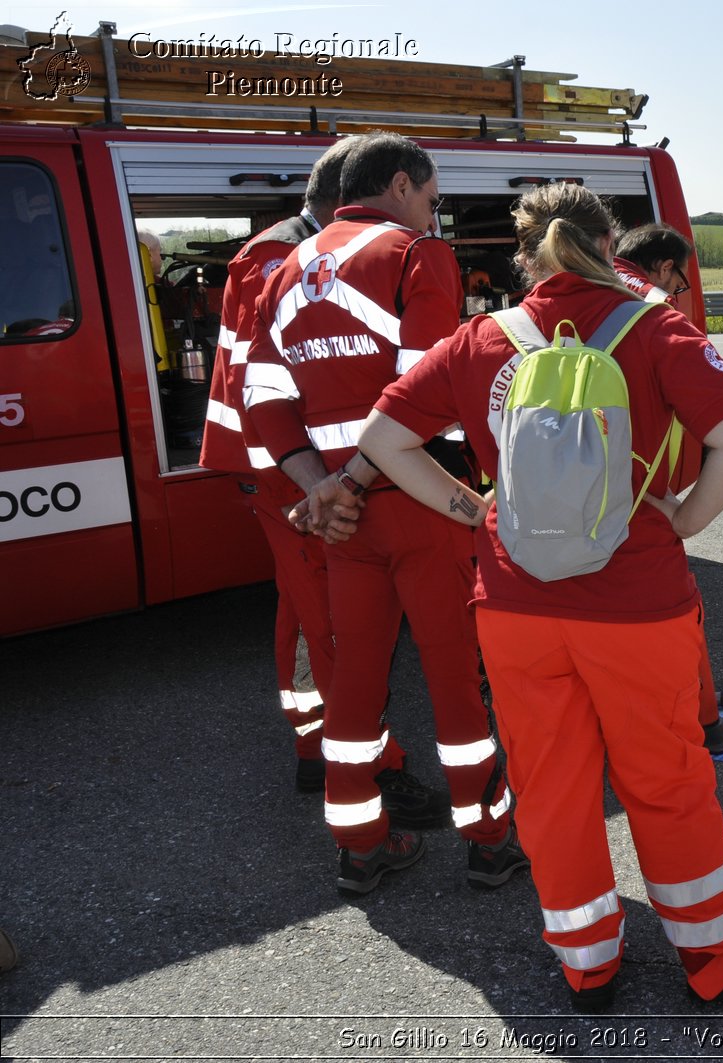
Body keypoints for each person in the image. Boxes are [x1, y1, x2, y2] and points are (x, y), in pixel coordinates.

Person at [356, 183, 723, 1010]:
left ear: (523, 251)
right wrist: (681, 520)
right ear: (611, 244)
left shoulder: (480, 339)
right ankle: (710, 957)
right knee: (666, 779)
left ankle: (587, 961)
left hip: (515, 603)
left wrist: (473, 510)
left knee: (551, 785)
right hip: (638, 602)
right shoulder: (653, 327)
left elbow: (381, 441)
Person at [243, 132, 523, 894]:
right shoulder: (414, 253)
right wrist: (359, 479)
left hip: (342, 520)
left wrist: (321, 488)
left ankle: (360, 844)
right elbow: (423, 391)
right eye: (432, 200)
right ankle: (490, 840)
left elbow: (261, 398)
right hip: (420, 500)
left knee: (356, 678)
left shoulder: (286, 266)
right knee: (455, 677)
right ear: (400, 185)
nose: (435, 216)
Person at [200, 137, 359, 795]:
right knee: (329, 611)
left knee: (300, 606)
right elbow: (270, 379)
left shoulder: (286, 247)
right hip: (283, 465)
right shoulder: (281, 256)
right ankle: (360, 759)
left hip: (277, 460)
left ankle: (316, 742)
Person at [612, 223, 723, 752]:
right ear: (663, 268)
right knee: (675, 618)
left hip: (548, 506)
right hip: (638, 499)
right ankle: (701, 722)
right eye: (680, 282)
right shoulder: (657, 310)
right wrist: (687, 516)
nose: (678, 292)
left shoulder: (532, 310)